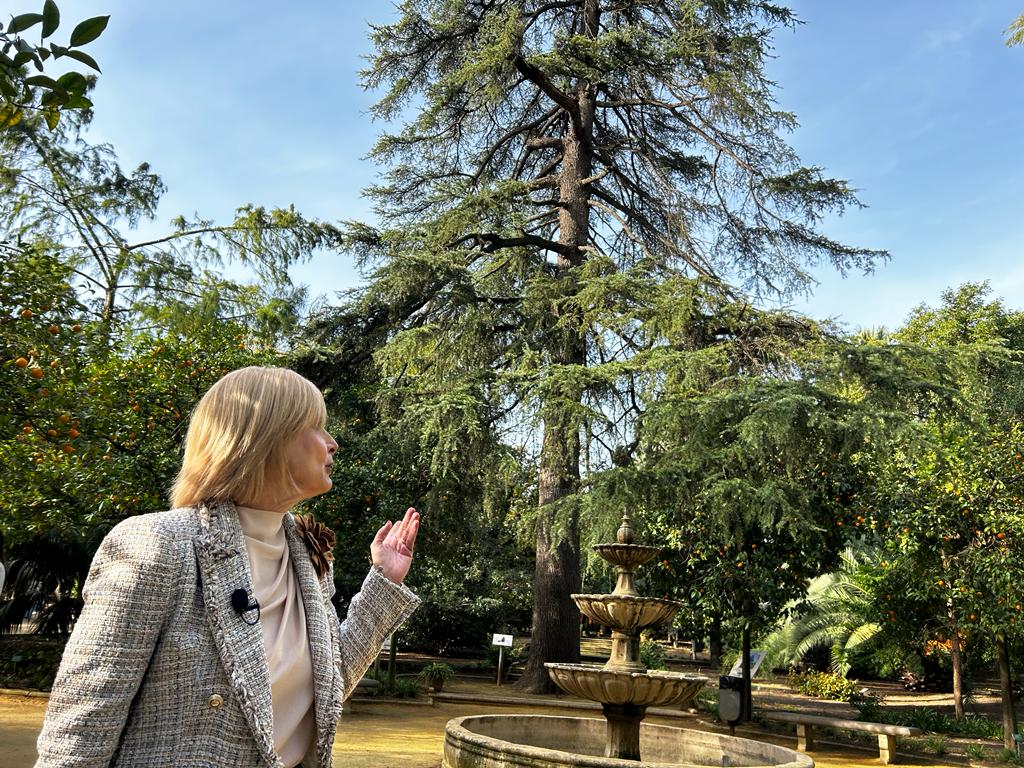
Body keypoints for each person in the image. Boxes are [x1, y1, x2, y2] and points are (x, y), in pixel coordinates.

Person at [35, 367, 421, 768]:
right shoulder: (157, 545)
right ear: (268, 436)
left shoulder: (306, 557)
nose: (332, 443)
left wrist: (384, 580)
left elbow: (327, 685)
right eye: (316, 426)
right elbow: (81, 731)